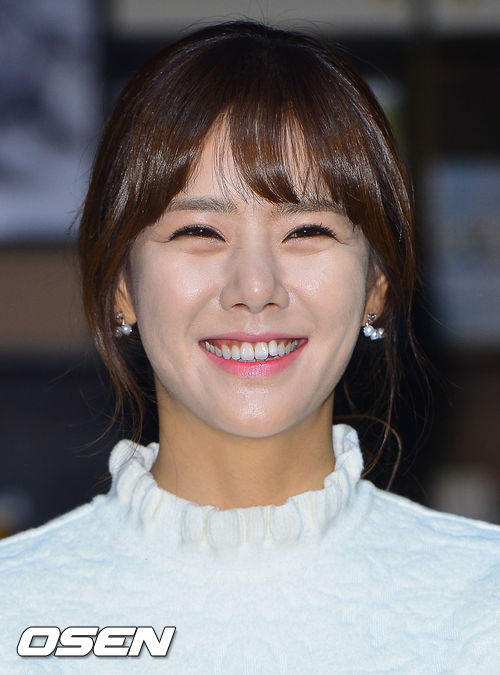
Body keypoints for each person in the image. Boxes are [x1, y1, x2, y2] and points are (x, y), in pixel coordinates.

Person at [1, 20, 498, 674]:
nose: (256, 287)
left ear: (376, 288)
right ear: (122, 286)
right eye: (200, 231)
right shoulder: (19, 609)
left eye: (307, 230)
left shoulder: (480, 600)